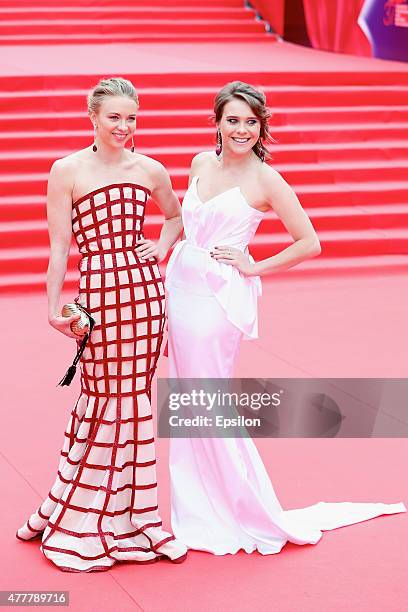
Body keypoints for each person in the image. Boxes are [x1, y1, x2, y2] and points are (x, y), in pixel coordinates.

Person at [165, 81, 406, 555]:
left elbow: (309, 242)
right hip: (180, 287)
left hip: (217, 301)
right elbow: (183, 221)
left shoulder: (265, 179)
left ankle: (244, 509)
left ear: (261, 126)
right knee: (189, 401)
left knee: (207, 403)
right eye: (232, 120)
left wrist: (253, 266)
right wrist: (161, 252)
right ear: (217, 122)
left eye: (250, 121)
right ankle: (198, 508)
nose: (241, 130)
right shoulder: (199, 163)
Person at [16, 77, 187, 571]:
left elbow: (174, 218)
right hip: (99, 297)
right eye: (115, 116)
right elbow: (59, 248)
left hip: (145, 296)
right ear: (92, 116)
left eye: (131, 117)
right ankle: (82, 511)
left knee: (134, 398)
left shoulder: (150, 168)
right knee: (102, 395)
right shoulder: (66, 170)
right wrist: (53, 308)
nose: (124, 126)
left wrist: (160, 246)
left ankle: (133, 517)